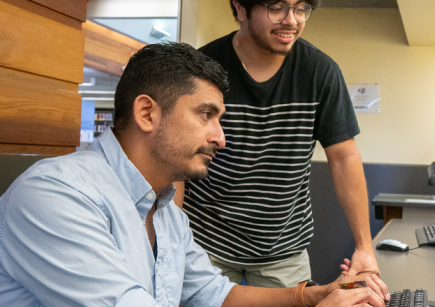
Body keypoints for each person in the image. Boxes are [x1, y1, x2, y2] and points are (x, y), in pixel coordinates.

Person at [0, 42, 389, 306]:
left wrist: (312, 296)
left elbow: (215, 293)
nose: (221, 138)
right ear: (147, 113)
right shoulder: (55, 195)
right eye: (206, 115)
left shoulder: (167, 212)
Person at [175, 0, 378, 287]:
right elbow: (179, 159)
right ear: (242, 9)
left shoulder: (321, 72)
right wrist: (171, 238)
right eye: (277, 7)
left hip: (283, 247)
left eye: (300, 8)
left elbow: (344, 157)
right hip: (207, 242)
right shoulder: (202, 68)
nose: (292, 20)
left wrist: (364, 247)